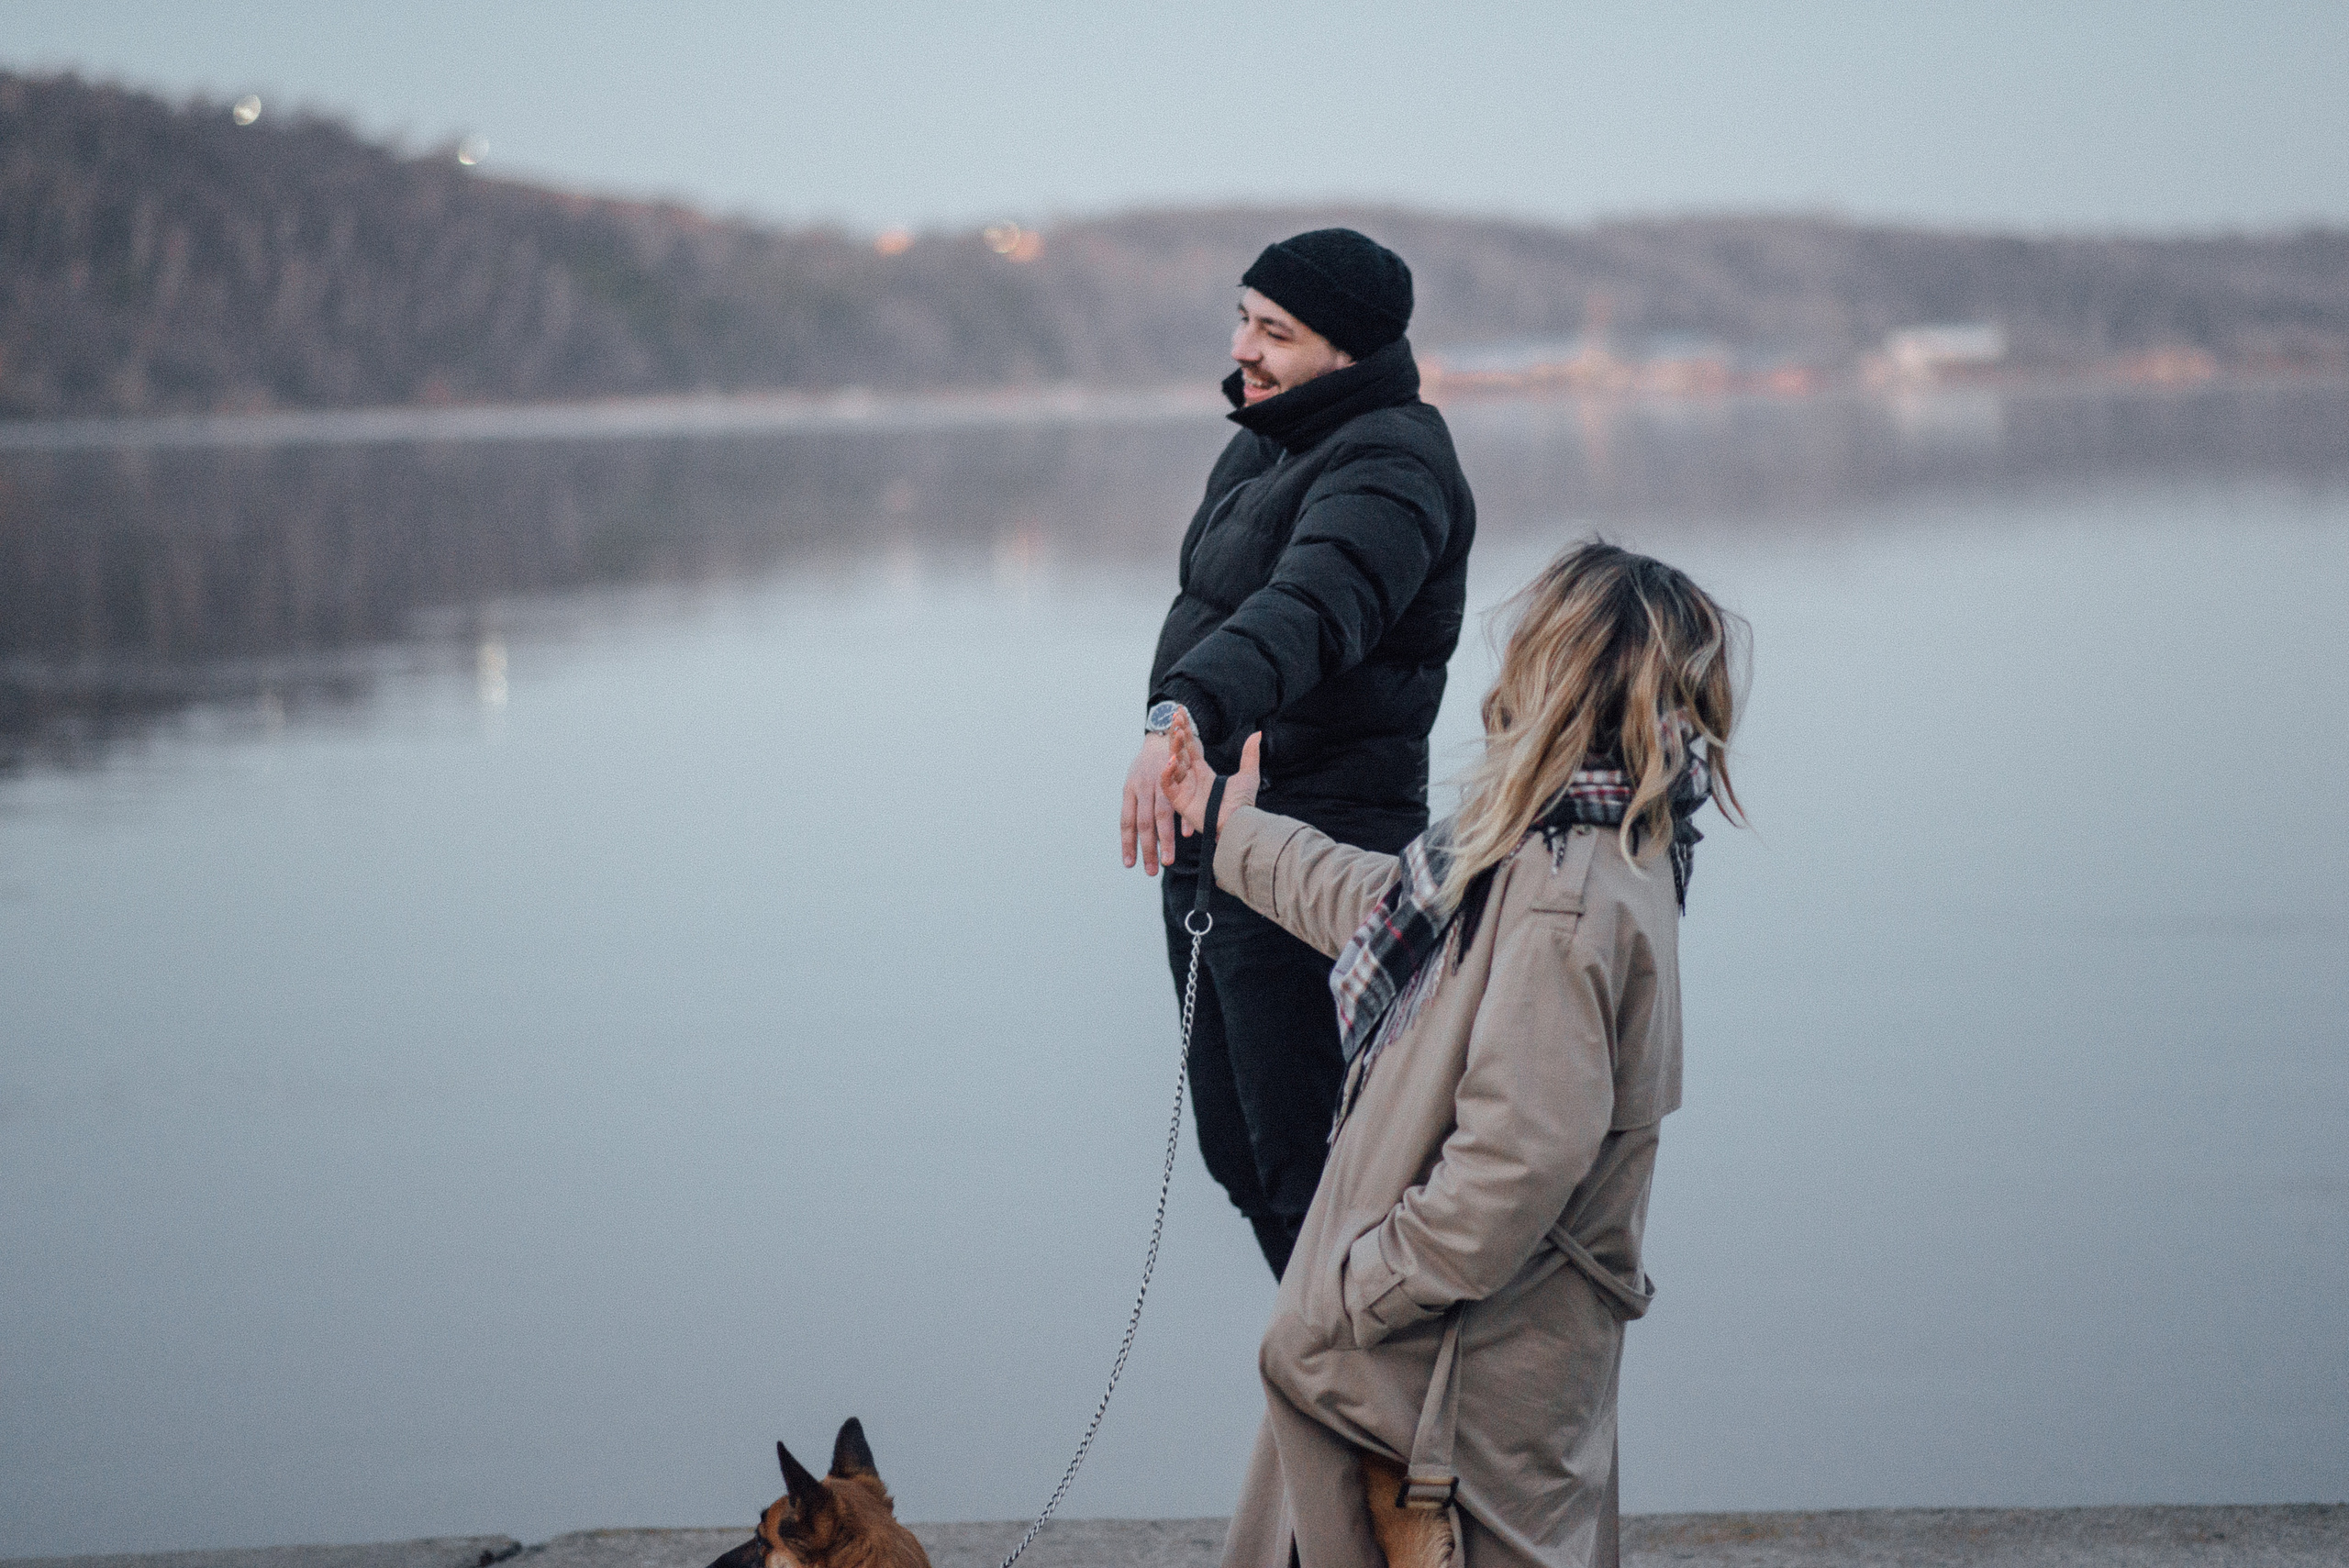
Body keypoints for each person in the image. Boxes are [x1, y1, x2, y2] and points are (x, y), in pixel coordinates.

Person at [1158, 542, 1745, 1568]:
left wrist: (1348, 1291)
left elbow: (1512, 1164)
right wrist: (1226, 826)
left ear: (1556, 675)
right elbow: (1390, 909)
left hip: (1453, 1389)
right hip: (1461, 1366)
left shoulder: (1566, 890)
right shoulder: (1566, 842)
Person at [1120, 228, 1475, 1279]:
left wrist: (1180, 710)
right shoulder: (1266, 441)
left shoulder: (1394, 461)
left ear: (1351, 351)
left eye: (1276, 330)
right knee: (1239, 1155)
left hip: (1316, 852)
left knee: (1319, 1169)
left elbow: (1311, 606)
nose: (1245, 348)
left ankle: (1375, 1418)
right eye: (1243, 317)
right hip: (1213, 838)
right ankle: (1337, 1397)